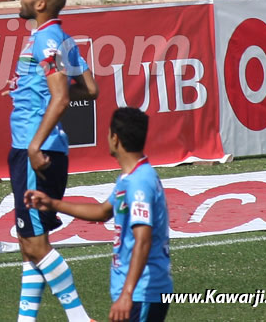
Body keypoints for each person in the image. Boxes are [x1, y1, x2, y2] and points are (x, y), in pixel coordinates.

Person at [5, 0, 99, 322]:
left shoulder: (46, 39)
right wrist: (28, 91)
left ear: (40, 5)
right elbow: (90, 89)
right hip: (49, 146)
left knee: (34, 244)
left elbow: (60, 97)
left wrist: (33, 144)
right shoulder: (63, 38)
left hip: (36, 148)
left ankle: (78, 316)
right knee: (29, 241)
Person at [25, 107, 172, 322]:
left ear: (115, 138)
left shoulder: (139, 183)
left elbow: (143, 240)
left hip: (143, 294)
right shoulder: (129, 178)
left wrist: (127, 294)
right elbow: (103, 212)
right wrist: (52, 203)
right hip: (136, 294)